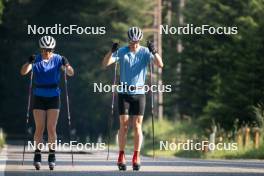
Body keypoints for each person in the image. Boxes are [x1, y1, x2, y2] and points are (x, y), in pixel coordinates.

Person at [102, 27, 163, 171]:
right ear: (128, 40)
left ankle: (136, 156)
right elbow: (105, 64)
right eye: (131, 42)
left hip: (139, 93)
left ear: (139, 41)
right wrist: (111, 51)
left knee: (137, 126)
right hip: (124, 93)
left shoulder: (145, 52)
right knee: (123, 125)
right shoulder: (122, 51)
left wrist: (154, 51)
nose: (134, 45)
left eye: (136, 42)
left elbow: (160, 65)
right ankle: (121, 155)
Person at [20, 36, 74, 170]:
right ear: (41, 49)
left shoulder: (57, 59)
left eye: (49, 50)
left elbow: (71, 73)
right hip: (39, 95)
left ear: (53, 49)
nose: (47, 52)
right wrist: (28, 62)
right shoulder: (36, 58)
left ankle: (52, 155)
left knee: (51, 128)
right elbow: (23, 72)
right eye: (44, 50)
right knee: (39, 127)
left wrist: (67, 64)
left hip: (54, 96)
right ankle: (37, 155)